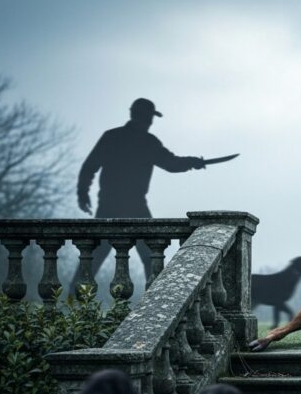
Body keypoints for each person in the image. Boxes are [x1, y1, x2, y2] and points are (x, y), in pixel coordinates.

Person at [72, 98, 205, 296]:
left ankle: (72, 298)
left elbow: (89, 167)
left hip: (108, 205)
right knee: (151, 256)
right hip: (135, 206)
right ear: (148, 118)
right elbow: (171, 163)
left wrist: (82, 193)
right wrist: (193, 162)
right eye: (151, 118)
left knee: (93, 258)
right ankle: (157, 301)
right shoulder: (148, 142)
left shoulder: (112, 137)